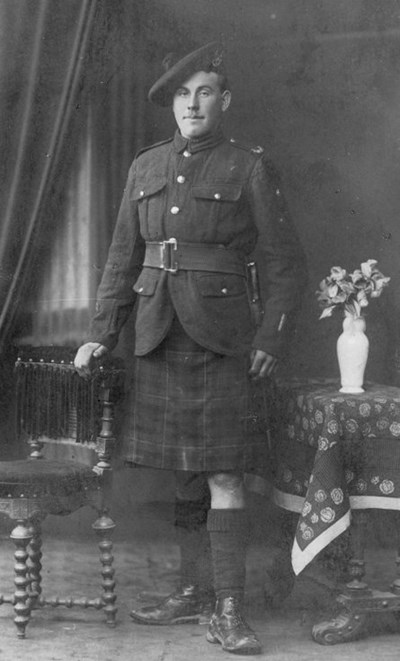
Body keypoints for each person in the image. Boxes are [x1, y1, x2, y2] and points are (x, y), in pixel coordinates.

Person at [75, 42, 307, 656]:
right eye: (182, 94)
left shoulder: (249, 165)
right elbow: (122, 258)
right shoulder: (145, 166)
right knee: (183, 471)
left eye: (204, 92)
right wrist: (102, 333)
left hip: (226, 338)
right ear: (171, 105)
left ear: (223, 101)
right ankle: (193, 590)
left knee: (225, 471)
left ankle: (229, 607)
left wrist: (271, 338)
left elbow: (285, 263)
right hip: (155, 332)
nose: (192, 104)